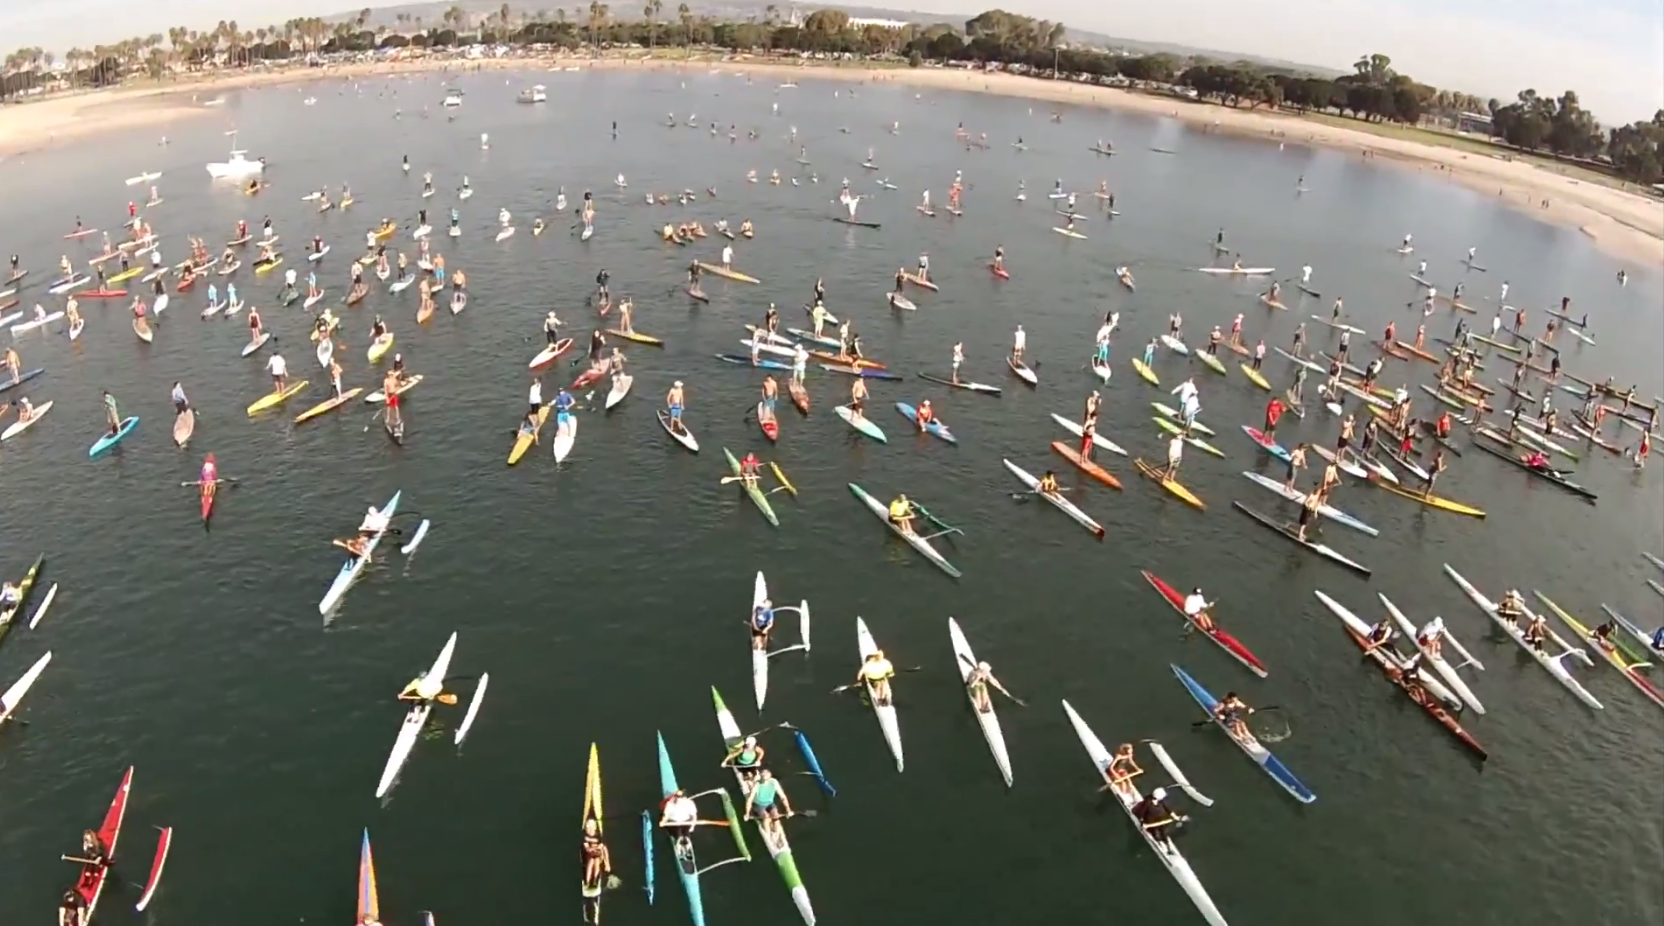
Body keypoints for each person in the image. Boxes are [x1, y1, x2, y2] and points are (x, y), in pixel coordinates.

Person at [742, 768, 794, 840]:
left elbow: (783, 797)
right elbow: (750, 799)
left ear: (770, 776)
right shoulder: (757, 785)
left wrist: (788, 810)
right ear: (760, 776)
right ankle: (768, 836)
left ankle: (776, 834)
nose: (764, 780)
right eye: (763, 777)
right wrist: (747, 813)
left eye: (766, 777)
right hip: (758, 805)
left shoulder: (774, 782)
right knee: (766, 817)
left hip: (770, 804)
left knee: (776, 815)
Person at [580, 818, 612, 899]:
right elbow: (586, 848)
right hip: (588, 856)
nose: (590, 830)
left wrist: (606, 863)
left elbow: (602, 846)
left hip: (597, 855)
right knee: (591, 861)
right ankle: (587, 882)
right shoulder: (584, 836)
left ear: (595, 828)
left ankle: (595, 881)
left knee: (596, 860)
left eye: (592, 827)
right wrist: (593, 849)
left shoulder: (598, 835)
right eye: (588, 828)